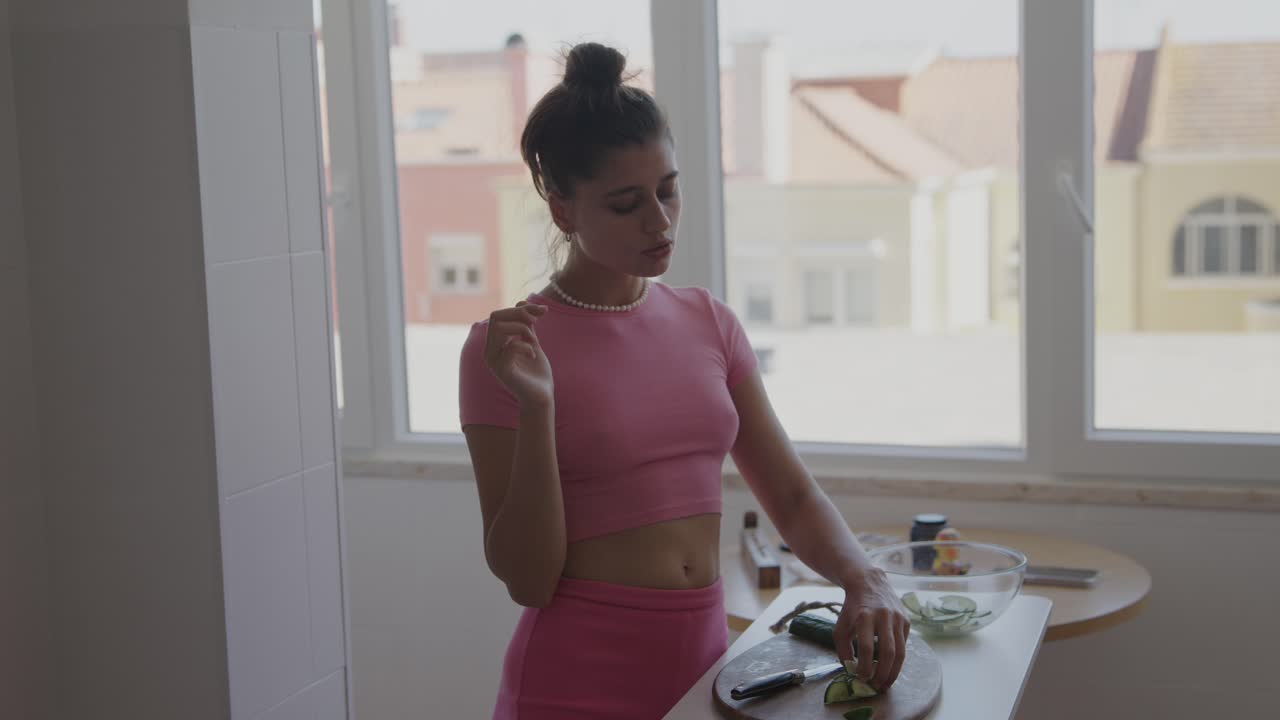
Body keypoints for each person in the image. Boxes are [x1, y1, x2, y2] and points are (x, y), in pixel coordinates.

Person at [458, 41, 909, 720]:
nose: (660, 220)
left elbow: (790, 493)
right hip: (573, 682)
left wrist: (865, 579)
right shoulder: (507, 352)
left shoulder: (710, 322)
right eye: (625, 203)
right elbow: (528, 578)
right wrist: (537, 406)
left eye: (668, 189)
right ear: (562, 210)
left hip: (707, 671)